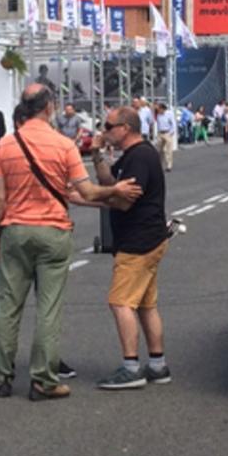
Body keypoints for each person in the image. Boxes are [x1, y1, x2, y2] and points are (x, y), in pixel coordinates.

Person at [0, 84, 142, 401]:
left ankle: (0, 376)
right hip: (52, 231)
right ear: (49, 107)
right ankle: (43, 380)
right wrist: (115, 190)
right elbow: (86, 192)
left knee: (7, 305)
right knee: (48, 308)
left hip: (15, 229)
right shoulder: (63, 145)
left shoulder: (6, 144)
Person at [91, 106, 171, 389]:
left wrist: (89, 198)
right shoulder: (133, 156)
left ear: (125, 127)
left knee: (120, 302)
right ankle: (158, 364)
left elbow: (123, 200)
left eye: (109, 126)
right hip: (150, 238)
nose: (104, 130)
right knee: (146, 304)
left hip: (138, 241)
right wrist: (96, 154)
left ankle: (131, 366)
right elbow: (110, 183)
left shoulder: (140, 157)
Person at [154, 102, 177, 172]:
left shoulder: (169, 114)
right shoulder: (157, 114)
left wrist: (171, 132)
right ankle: (159, 164)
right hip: (160, 133)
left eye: (159, 109)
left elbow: (173, 123)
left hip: (167, 133)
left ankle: (169, 165)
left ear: (163, 109)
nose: (159, 111)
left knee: (168, 150)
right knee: (159, 150)